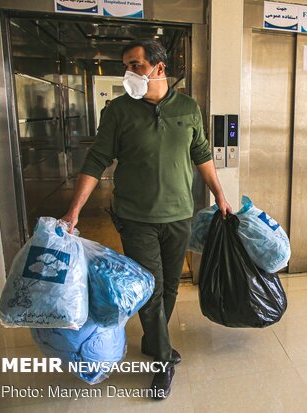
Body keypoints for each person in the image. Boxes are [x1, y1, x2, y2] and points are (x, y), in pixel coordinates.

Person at [60, 39, 232, 399]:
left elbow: (201, 153)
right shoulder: (118, 111)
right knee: (150, 288)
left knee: (170, 285)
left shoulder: (188, 108)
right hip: (136, 216)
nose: (130, 73)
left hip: (179, 214)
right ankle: (162, 361)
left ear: (159, 68)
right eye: (126, 66)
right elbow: (96, 160)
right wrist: (74, 209)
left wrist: (220, 194)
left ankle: (155, 341)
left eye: (136, 65)